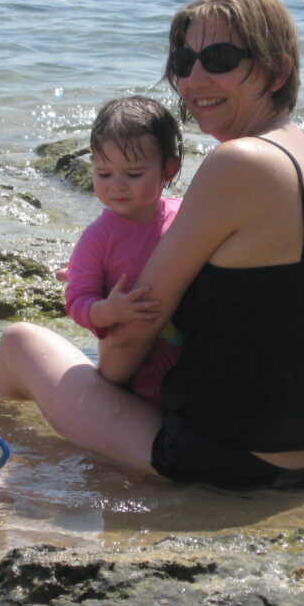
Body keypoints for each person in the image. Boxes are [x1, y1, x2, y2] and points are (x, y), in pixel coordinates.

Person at [0, 0, 304, 486]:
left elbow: (127, 347)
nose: (195, 79)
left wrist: (105, 338)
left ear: (278, 71)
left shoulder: (240, 161)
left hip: (237, 456)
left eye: (220, 58)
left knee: (20, 344)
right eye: (183, 61)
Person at [62, 95, 184, 403]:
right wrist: (108, 311)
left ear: (169, 169)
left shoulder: (185, 216)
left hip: (188, 366)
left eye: (133, 174)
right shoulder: (98, 238)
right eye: (104, 173)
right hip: (132, 379)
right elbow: (77, 301)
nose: (116, 185)